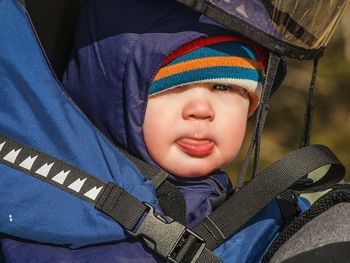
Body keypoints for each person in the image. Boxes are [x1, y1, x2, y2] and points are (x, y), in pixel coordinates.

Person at [0, 0, 295, 262]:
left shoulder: (263, 213)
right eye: (176, 85)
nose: (202, 110)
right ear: (112, 94)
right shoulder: (56, 219)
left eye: (224, 87)